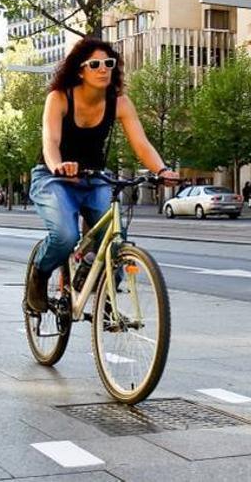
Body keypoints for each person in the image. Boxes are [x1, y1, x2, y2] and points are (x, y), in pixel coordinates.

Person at [25, 37, 179, 313]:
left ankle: (104, 301)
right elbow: (50, 142)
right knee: (64, 235)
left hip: (95, 177)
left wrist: (162, 170)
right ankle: (39, 274)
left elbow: (142, 145)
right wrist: (59, 165)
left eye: (108, 63)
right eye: (94, 64)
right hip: (53, 178)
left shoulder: (119, 103)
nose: (103, 69)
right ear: (80, 70)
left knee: (115, 243)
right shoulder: (59, 97)